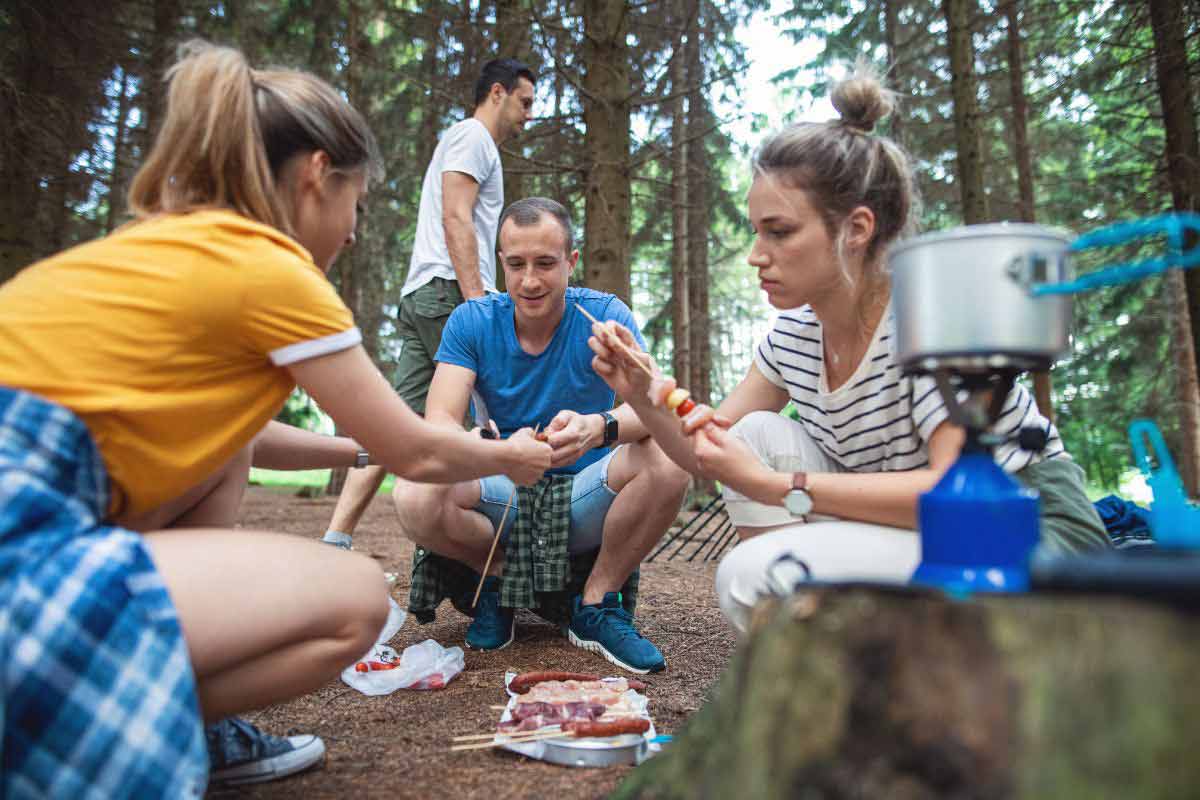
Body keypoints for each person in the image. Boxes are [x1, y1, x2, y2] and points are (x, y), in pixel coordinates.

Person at [0, 41, 550, 797]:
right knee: (356, 602)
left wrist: (356, 448)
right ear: (317, 176)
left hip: (35, 496)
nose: (354, 232)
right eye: (355, 205)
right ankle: (149, 720)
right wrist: (508, 458)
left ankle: (166, 714)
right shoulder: (273, 270)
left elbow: (240, 436)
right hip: (19, 556)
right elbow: (420, 455)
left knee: (220, 457)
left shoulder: (151, 249)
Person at [587, 66, 1110, 633]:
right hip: (922, 528)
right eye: (755, 231)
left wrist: (777, 487)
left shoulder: (928, 322)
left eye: (779, 232)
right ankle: (834, 655)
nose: (756, 255)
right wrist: (641, 394)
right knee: (753, 435)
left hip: (1021, 527)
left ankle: (851, 663)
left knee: (748, 573)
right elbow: (709, 452)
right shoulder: (792, 337)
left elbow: (953, 491)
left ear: (856, 229)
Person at [393, 197, 688, 673]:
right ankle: (497, 579)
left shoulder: (605, 316)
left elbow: (654, 410)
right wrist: (503, 452)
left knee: (669, 457)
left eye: (546, 263)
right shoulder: (471, 321)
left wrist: (598, 428)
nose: (530, 280)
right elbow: (440, 423)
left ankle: (595, 604)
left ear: (571, 262)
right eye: (516, 264)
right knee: (414, 490)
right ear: (501, 264)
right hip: (502, 490)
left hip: (586, 494)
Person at [322, 57, 537, 550]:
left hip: (425, 292)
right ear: (498, 93)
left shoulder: (469, 141)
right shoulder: (473, 138)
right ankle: (505, 547)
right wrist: (477, 302)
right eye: (525, 102)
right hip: (449, 293)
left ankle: (336, 537)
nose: (529, 114)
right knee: (488, 414)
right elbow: (456, 217)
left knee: (395, 422)